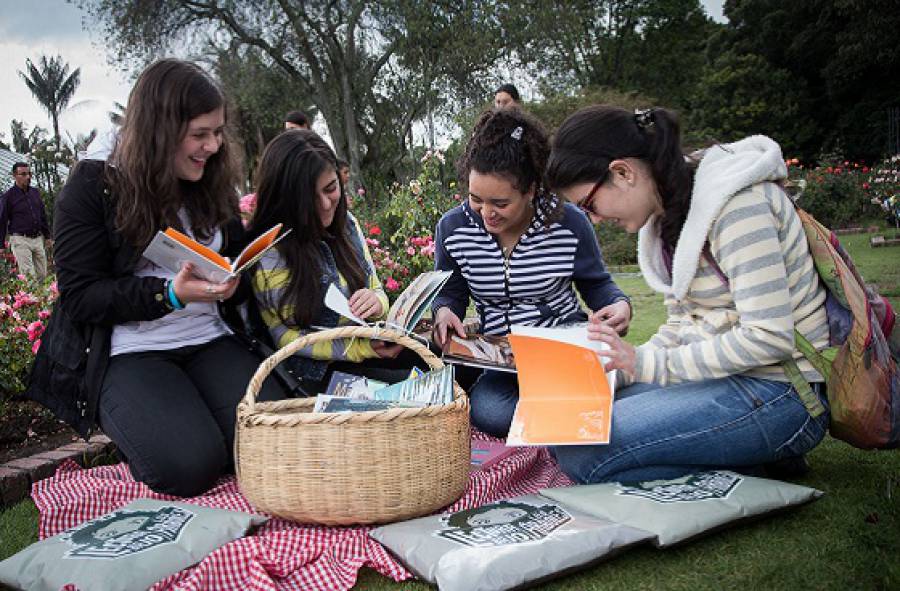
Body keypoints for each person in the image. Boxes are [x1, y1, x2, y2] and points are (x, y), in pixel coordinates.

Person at [25, 59, 287, 497]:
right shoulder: (93, 186)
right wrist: (169, 294)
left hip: (209, 338)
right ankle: (171, 428)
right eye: (199, 134)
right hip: (132, 351)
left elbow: (231, 254)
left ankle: (202, 425)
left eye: (218, 132)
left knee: (277, 440)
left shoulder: (211, 181)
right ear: (159, 131)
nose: (213, 146)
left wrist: (232, 278)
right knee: (189, 466)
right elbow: (81, 296)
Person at [545, 105, 831, 483]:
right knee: (572, 425)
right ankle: (754, 457)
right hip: (726, 379)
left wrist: (644, 364)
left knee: (587, 456)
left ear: (622, 172)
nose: (593, 220)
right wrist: (620, 368)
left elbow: (769, 338)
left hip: (784, 392)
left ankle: (762, 460)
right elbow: (683, 323)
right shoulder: (667, 216)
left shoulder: (739, 207)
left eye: (588, 205)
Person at [431, 107, 631, 438]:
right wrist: (444, 311)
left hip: (562, 349)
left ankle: (567, 410)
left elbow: (598, 286)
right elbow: (450, 291)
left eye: (500, 203)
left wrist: (619, 304)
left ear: (532, 189)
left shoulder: (570, 224)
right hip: (501, 359)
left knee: (525, 408)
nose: (486, 214)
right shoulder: (452, 228)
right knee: (489, 410)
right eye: (475, 199)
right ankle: (570, 414)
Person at [248, 129, 420, 393]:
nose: (326, 204)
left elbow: (375, 288)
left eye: (331, 189)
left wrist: (375, 302)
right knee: (414, 391)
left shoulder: (346, 225)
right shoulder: (269, 251)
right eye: (309, 200)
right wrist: (359, 347)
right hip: (314, 372)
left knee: (447, 365)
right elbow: (283, 338)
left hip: (367, 348)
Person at [0, 162, 51, 280]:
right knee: (29, 276)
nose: (27, 177)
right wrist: (1, 245)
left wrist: (47, 236)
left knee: (42, 275)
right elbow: (2, 220)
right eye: (23, 174)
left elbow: (42, 215)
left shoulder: (35, 192)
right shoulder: (8, 196)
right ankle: (30, 298)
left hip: (37, 239)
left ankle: (42, 298)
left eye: (29, 174)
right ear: (14, 175)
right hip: (20, 240)